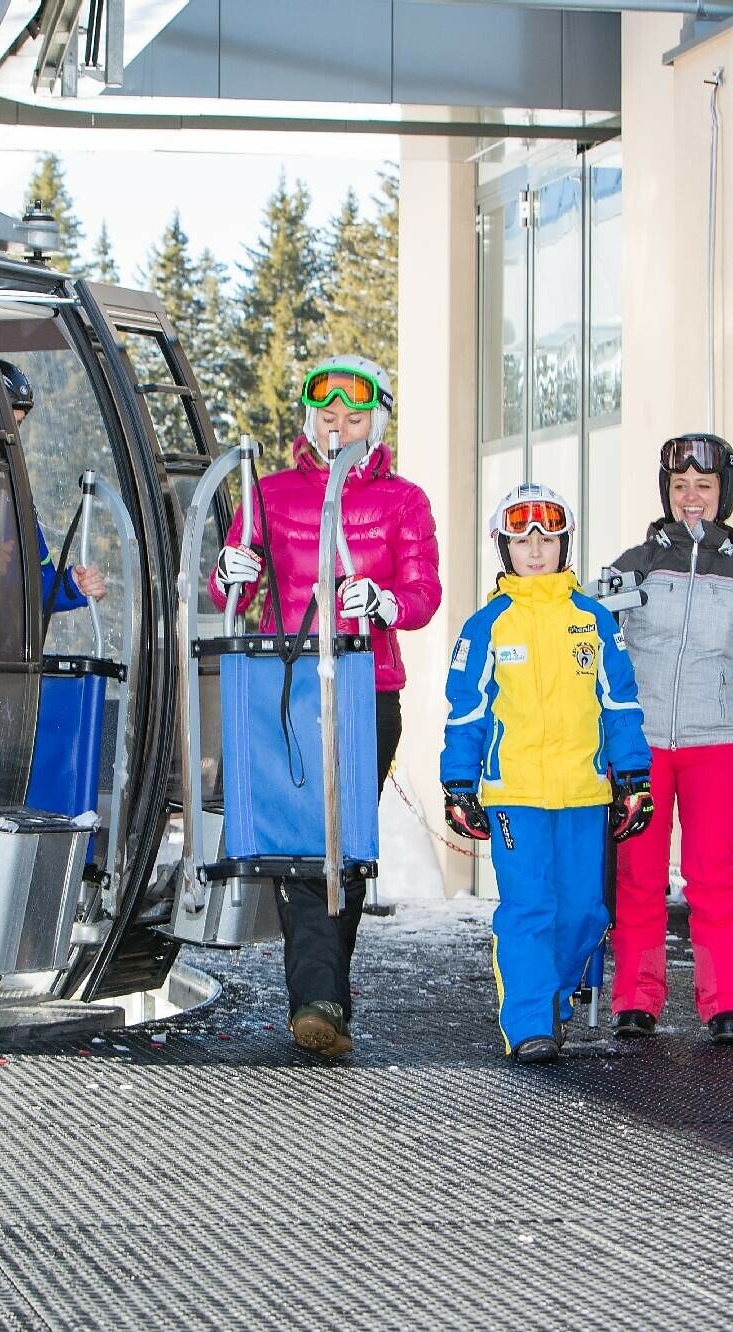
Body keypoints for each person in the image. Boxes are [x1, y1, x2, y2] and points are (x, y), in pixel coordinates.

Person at [210, 354, 441, 1059]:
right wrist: (230, 572)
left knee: (344, 840)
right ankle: (320, 1000)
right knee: (302, 838)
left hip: (367, 687)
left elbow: (424, 594)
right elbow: (231, 592)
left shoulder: (404, 501)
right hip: (285, 685)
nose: (339, 428)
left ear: (377, 424)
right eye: (328, 415)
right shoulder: (269, 493)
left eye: (355, 417)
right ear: (311, 421)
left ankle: (323, 996)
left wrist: (384, 602)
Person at [441, 484, 654, 1064]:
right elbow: (466, 712)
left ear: (565, 544)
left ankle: (553, 996)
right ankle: (530, 1020)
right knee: (530, 907)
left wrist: (634, 777)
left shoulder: (593, 620)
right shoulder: (487, 625)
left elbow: (621, 704)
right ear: (503, 548)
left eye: (548, 539)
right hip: (515, 794)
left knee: (586, 911)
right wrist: (458, 783)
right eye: (522, 541)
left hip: (585, 791)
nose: (536, 551)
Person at [603, 435, 733, 1045]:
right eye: (680, 486)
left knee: (713, 877)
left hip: (716, 742)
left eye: (703, 487)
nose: (691, 497)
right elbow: (598, 644)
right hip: (642, 745)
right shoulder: (634, 565)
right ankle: (636, 998)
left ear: (722, 494)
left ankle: (726, 1002)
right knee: (639, 876)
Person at [0, 360, 105, 608]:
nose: (11, 435)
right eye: (2, 419)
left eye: (17, 424)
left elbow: (36, 583)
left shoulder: (6, 489)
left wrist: (74, 585)